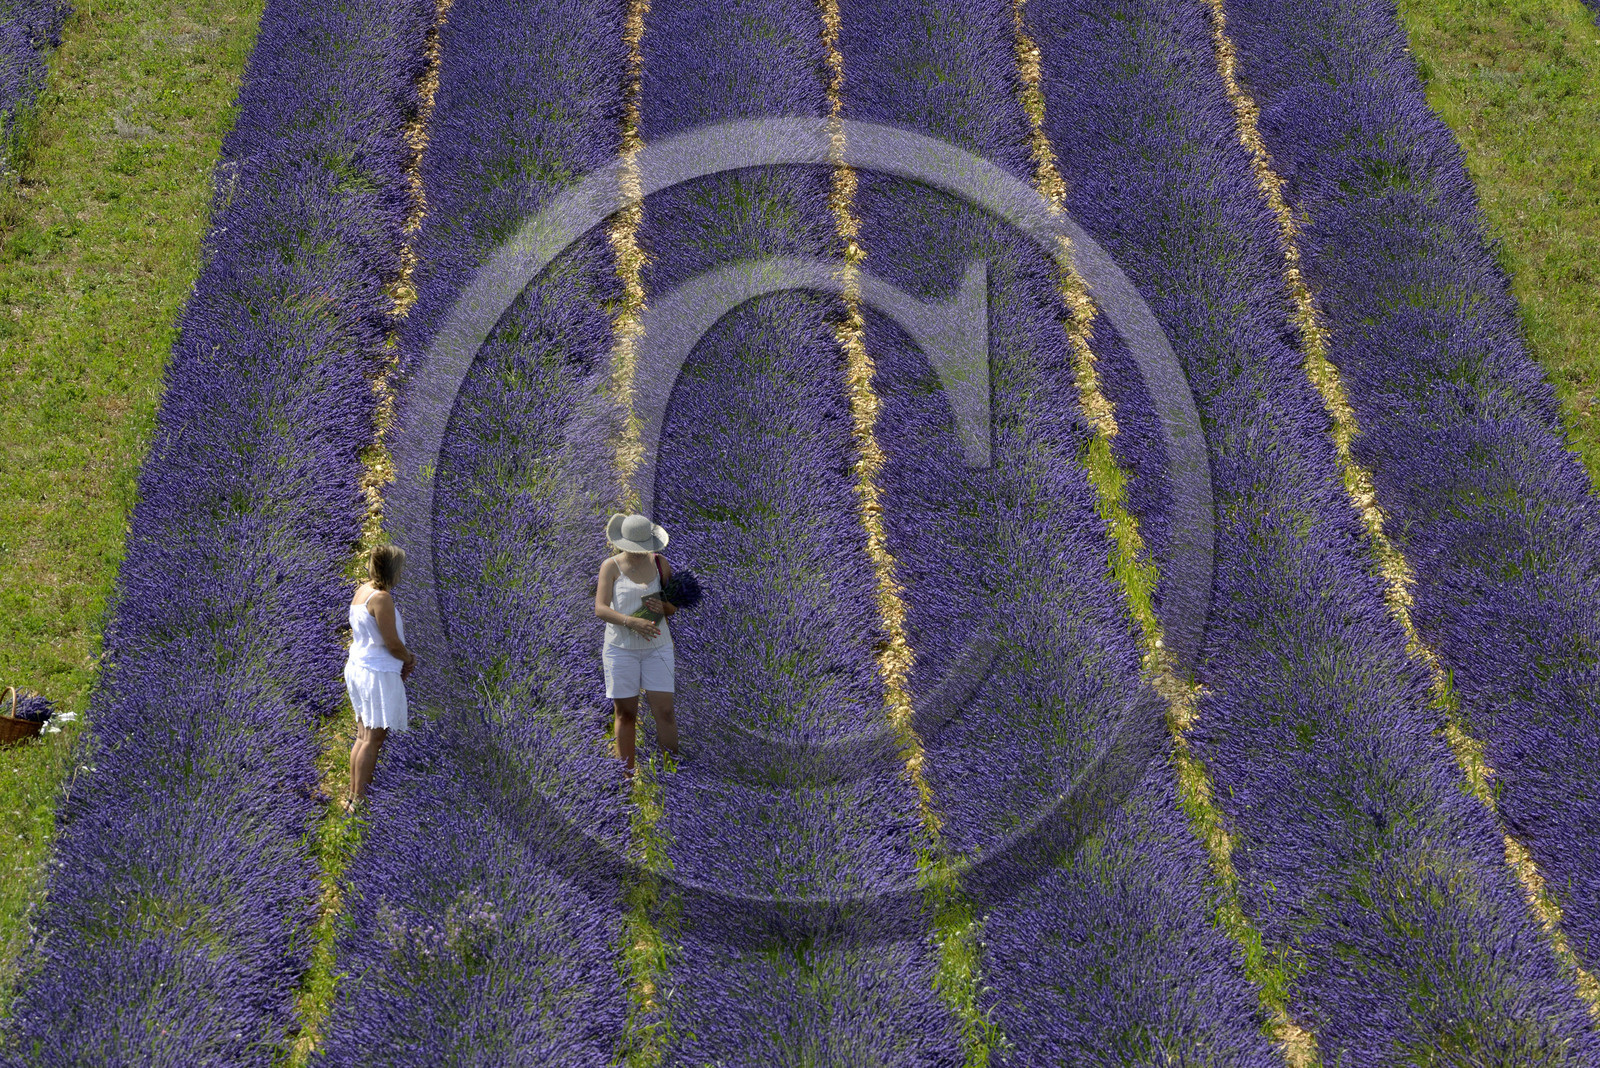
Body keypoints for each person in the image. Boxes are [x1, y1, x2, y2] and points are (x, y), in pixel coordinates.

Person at [594, 512, 678, 773]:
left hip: (658, 647)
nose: (641, 552)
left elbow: (674, 607)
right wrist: (631, 621)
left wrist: (662, 607)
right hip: (621, 649)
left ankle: (673, 774)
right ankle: (626, 779)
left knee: (664, 712)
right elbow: (600, 608)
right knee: (626, 715)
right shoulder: (611, 566)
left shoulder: (660, 563)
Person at [344, 543, 415, 812]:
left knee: (363, 736)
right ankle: (359, 801)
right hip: (376, 673)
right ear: (393, 570)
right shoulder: (381, 598)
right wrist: (409, 660)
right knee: (373, 738)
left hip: (360, 668)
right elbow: (392, 643)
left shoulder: (363, 590)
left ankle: (352, 797)